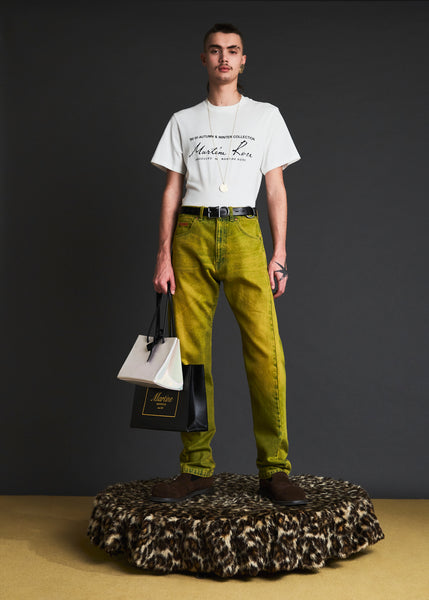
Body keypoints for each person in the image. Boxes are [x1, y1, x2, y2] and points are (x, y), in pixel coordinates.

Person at [149, 23, 307, 506]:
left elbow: (275, 189)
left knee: (265, 351)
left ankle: (275, 470)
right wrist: (163, 254)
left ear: (243, 60)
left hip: (243, 233)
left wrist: (279, 253)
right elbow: (172, 189)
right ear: (204, 59)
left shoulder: (266, 116)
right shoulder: (183, 120)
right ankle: (196, 468)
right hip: (191, 235)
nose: (224, 58)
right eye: (215, 50)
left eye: (232, 51)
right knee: (190, 355)